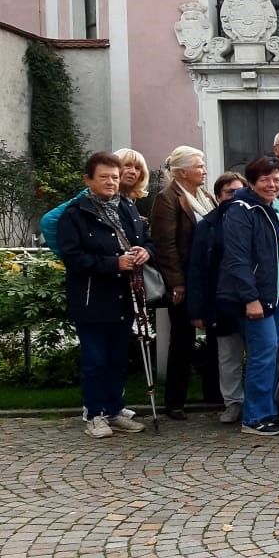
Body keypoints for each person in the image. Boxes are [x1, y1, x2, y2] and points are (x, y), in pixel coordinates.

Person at [57, 152, 152, 438]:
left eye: (114, 176)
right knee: (95, 359)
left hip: (125, 296)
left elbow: (144, 239)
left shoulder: (127, 206)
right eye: (104, 177)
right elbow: (73, 257)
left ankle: (114, 408)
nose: (111, 182)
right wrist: (113, 263)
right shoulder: (76, 214)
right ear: (88, 180)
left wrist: (146, 251)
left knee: (117, 358)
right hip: (91, 298)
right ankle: (94, 413)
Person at [217, 157, 279, 436]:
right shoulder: (242, 209)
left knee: (272, 354)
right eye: (265, 179)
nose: (272, 184)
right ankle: (254, 418)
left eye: (276, 179)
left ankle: (270, 411)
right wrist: (250, 298)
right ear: (252, 182)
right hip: (257, 296)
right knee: (262, 354)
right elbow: (237, 259)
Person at [149, 146, 219, 420]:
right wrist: (177, 283)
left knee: (216, 337)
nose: (204, 170)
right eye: (199, 166)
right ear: (181, 171)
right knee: (182, 340)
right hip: (186, 280)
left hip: (208, 279)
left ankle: (213, 392)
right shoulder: (168, 199)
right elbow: (165, 245)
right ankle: (174, 401)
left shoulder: (205, 196)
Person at [186, 172, 248, 424]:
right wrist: (196, 309)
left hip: (252, 298)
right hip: (221, 301)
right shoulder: (208, 225)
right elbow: (197, 268)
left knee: (259, 355)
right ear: (218, 196)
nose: (234, 197)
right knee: (228, 356)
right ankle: (233, 403)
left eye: (239, 191)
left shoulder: (255, 217)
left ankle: (258, 402)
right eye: (229, 192)